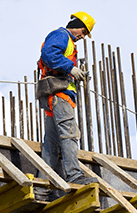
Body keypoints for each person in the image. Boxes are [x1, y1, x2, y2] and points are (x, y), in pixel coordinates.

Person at [35, 12, 98, 201]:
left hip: (54, 96)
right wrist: (70, 68)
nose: (83, 36)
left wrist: (73, 73)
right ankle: (75, 175)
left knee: (51, 145)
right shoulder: (62, 35)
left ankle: (41, 189)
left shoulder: (68, 42)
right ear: (76, 25)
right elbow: (48, 54)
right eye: (84, 31)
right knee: (70, 134)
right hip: (59, 95)